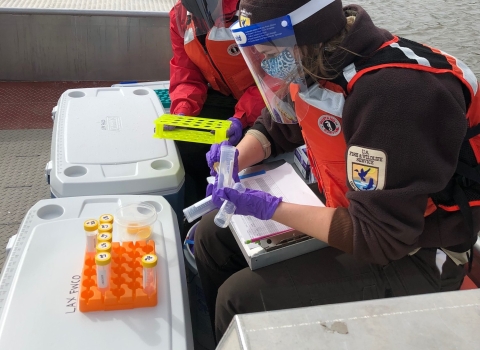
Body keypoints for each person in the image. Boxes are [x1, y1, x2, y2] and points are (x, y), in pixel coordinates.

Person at [194, 0, 480, 343]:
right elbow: (279, 125)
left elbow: (379, 238)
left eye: (269, 53)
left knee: (239, 299)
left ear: (302, 37)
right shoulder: (318, 60)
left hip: (418, 249)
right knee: (212, 236)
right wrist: (236, 156)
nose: (268, 64)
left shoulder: (393, 96)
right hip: (356, 209)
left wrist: (269, 208)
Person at [168, 0, 265, 211]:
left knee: (236, 158)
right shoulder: (179, 15)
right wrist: (183, 111)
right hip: (223, 96)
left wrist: (240, 118)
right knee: (183, 144)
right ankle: (194, 214)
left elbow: (275, 76)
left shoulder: (256, 7)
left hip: (263, 100)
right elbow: (186, 73)